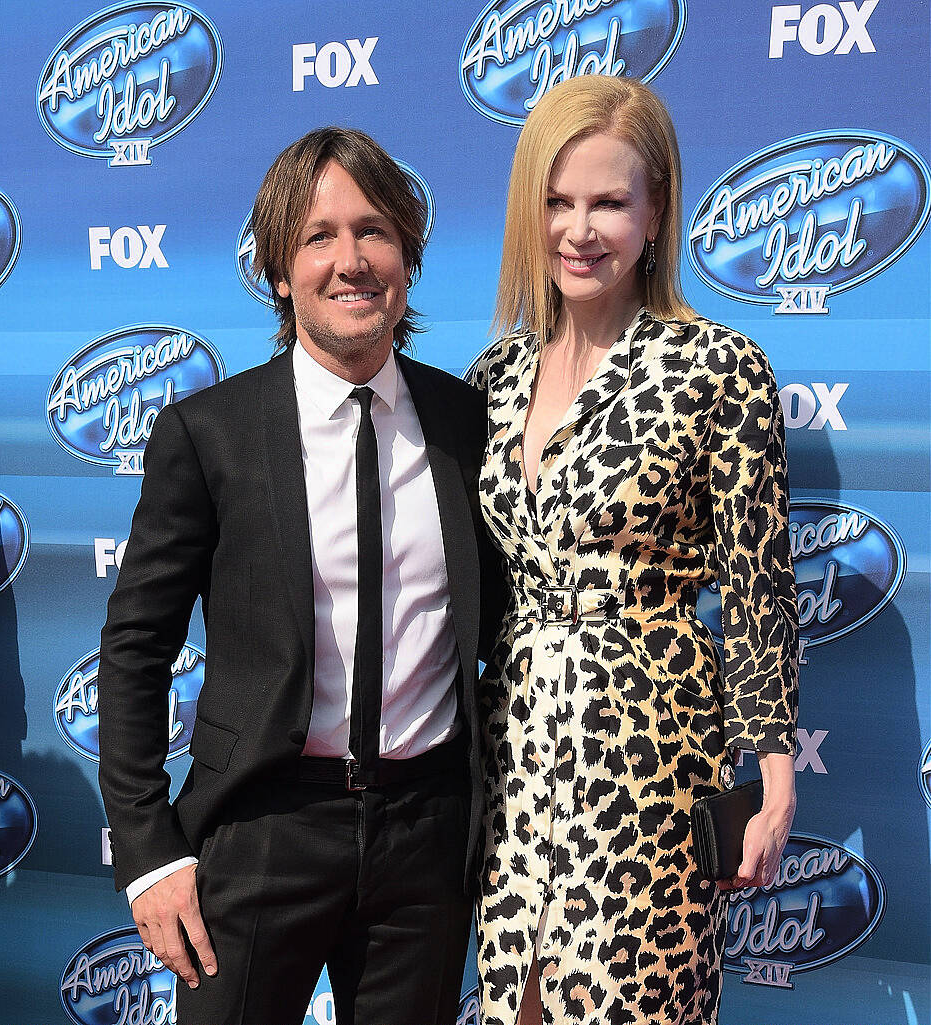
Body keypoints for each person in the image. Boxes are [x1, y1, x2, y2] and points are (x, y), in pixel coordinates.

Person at [98, 126, 502, 1025]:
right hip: (261, 831)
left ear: (408, 257)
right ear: (280, 270)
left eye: (374, 231)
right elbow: (134, 650)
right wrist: (149, 850)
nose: (350, 260)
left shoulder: (469, 422)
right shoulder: (210, 434)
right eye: (318, 236)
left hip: (427, 838)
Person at [470, 76, 798, 1025]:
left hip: (653, 753)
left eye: (609, 202)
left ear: (656, 213)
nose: (580, 229)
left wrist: (772, 782)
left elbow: (759, 588)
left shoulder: (719, 367)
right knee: (516, 1005)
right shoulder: (493, 378)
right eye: (557, 200)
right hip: (514, 748)